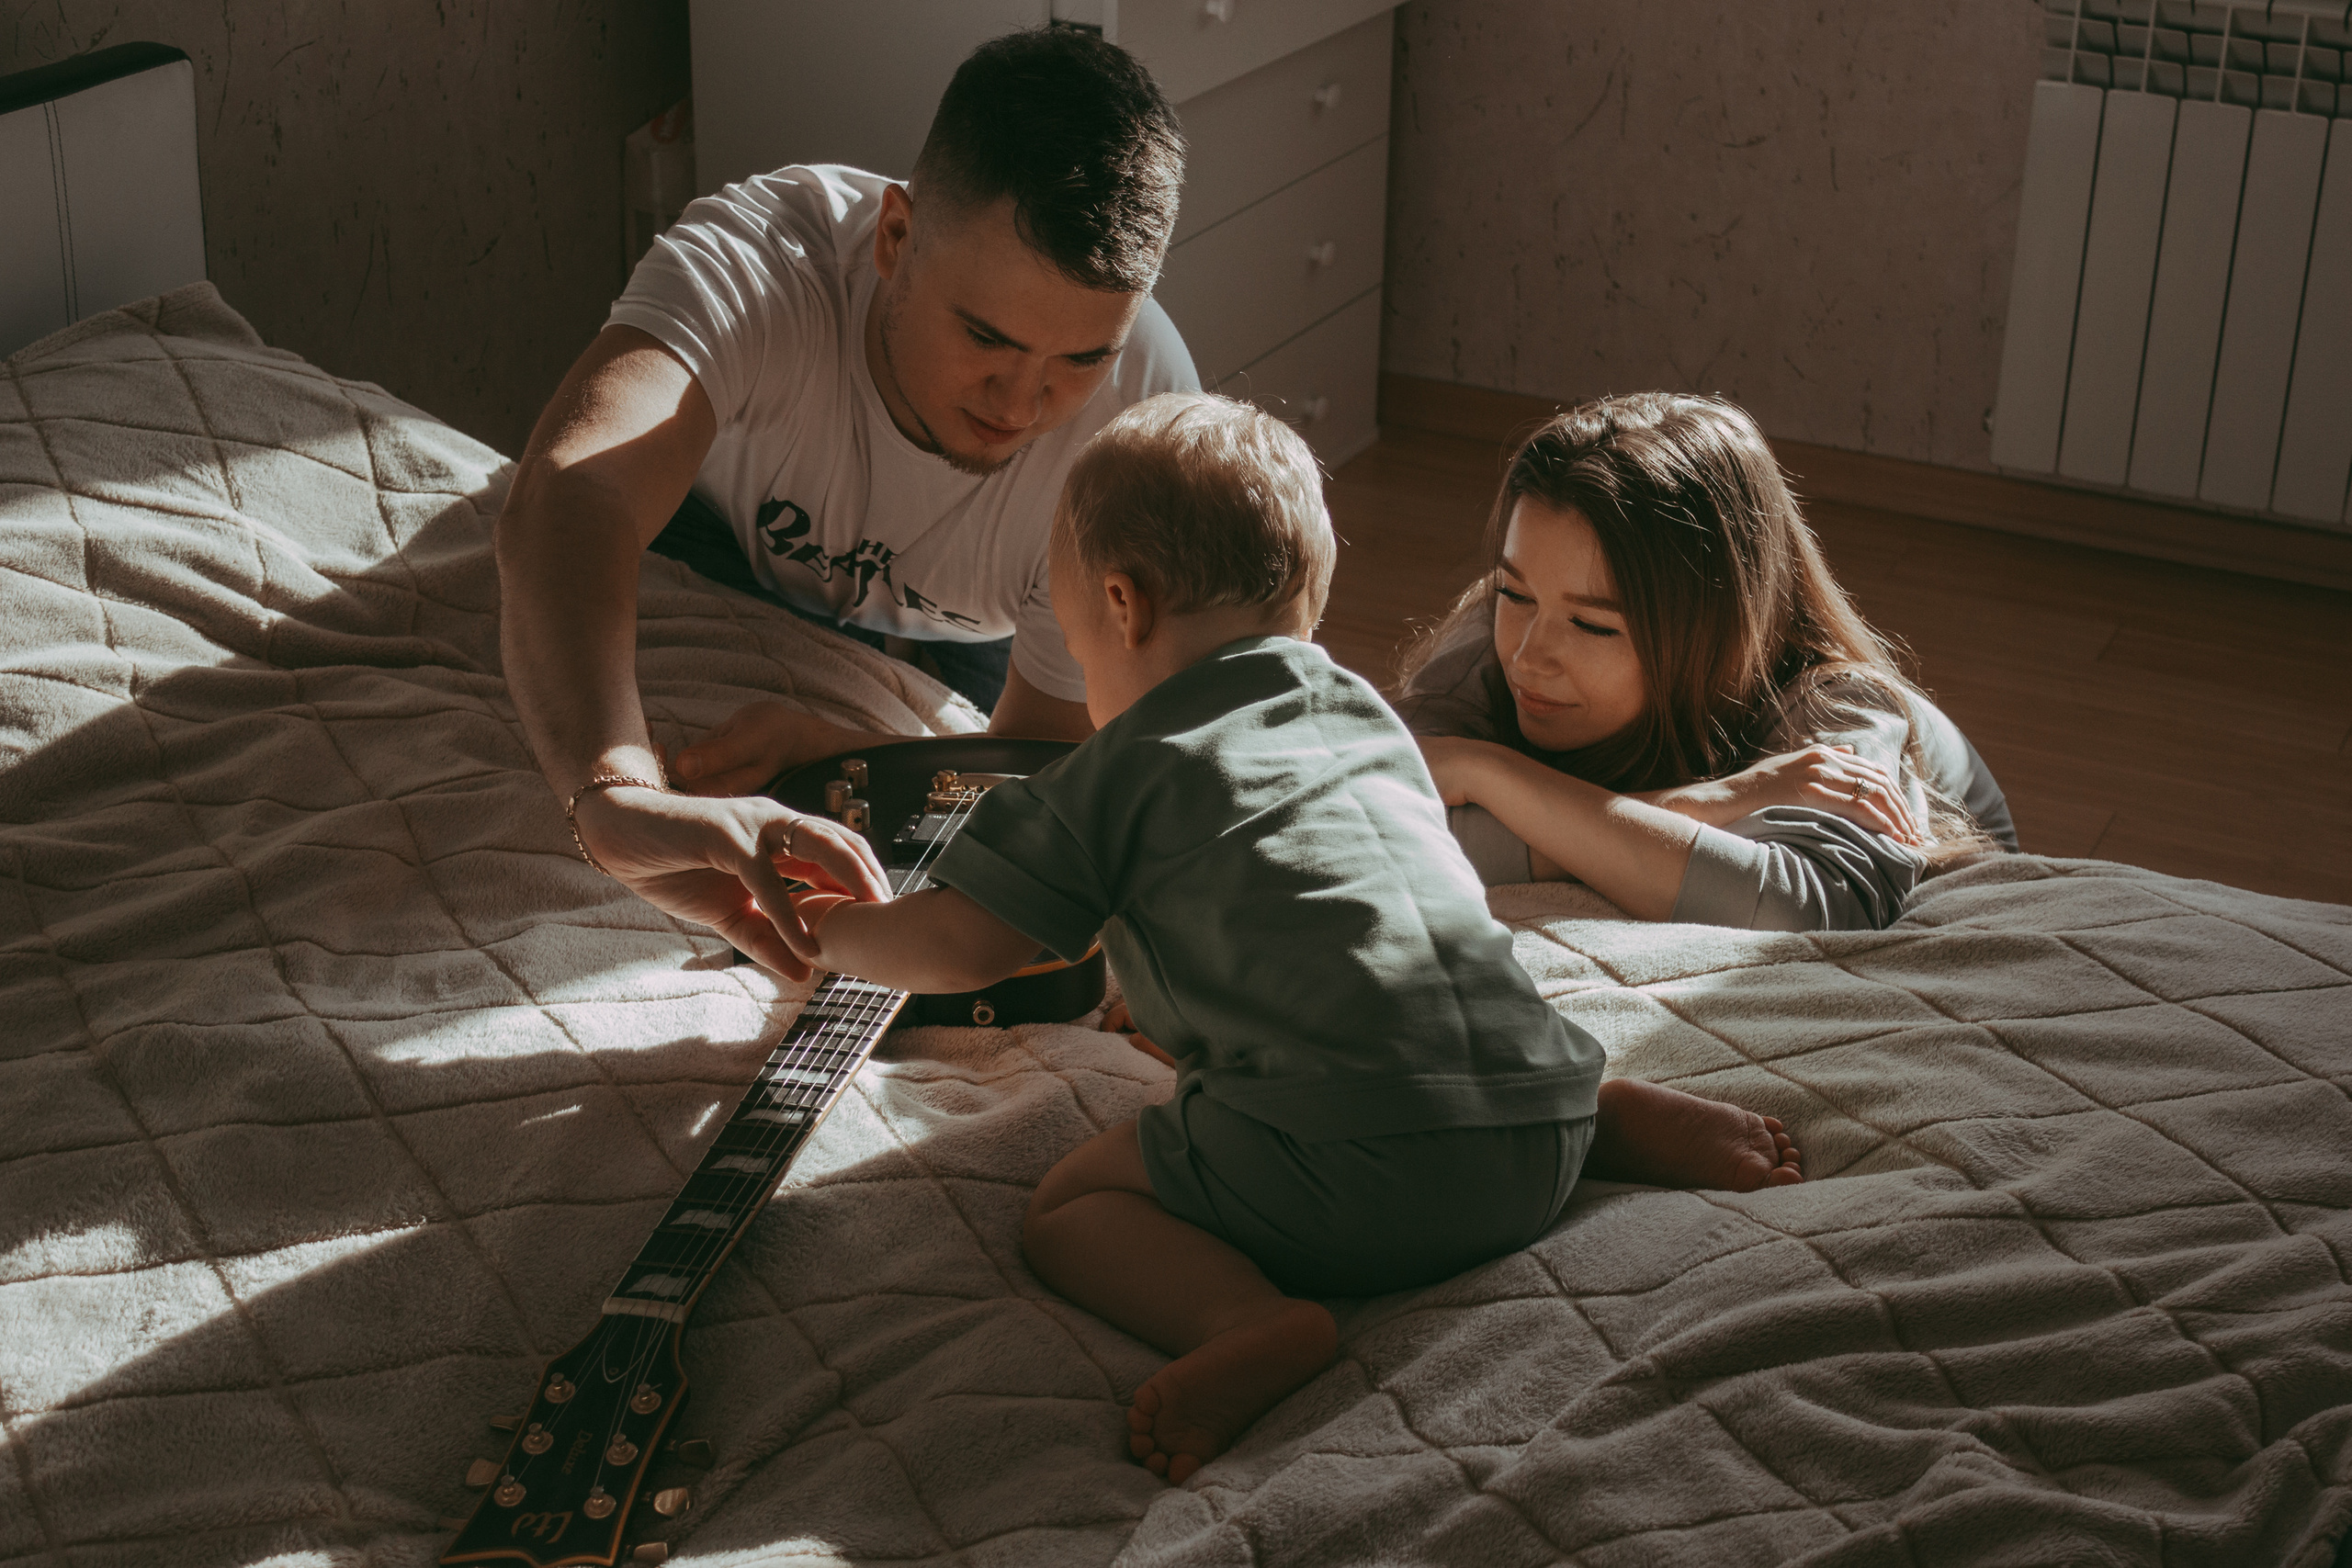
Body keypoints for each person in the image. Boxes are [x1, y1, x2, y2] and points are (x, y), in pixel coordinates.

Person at [786, 393, 1804, 1483]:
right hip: (1531, 1135)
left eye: (1077, 644)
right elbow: (1340, 926)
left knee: (1073, 1206)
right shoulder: (1369, 717)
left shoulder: (1117, 769)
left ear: (1121, 609)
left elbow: (960, 950)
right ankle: (1605, 1114)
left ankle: (1246, 1324)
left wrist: (831, 931)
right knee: (1461, 1036)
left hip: (1350, 1188)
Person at [495, 28, 1196, 977]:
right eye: (985, 336)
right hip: (722, 548)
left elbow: (1045, 757)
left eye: (1080, 359)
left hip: (979, 636)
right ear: (895, 237)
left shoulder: (1145, 418)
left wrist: (847, 748)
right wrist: (611, 794)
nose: (1020, 405)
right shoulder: (762, 257)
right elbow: (568, 493)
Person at [1396, 392, 2018, 931]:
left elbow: (1800, 910)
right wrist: (1717, 799)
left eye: (1592, 624)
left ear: (1712, 628)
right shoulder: (1490, 633)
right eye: (1514, 591)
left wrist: (1485, 774)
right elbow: (1361, 822)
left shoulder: (1839, 705)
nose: (1528, 655)